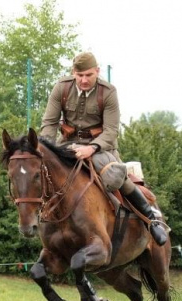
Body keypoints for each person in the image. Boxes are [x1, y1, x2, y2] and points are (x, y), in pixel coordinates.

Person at [40, 51, 168, 246]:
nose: (83, 80)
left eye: (88, 75)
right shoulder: (61, 87)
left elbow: (111, 131)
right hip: (66, 144)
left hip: (101, 149)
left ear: (97, 71)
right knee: (42, 173)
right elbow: (49, 123)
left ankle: (152, 220)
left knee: (113, 176)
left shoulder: (108, 92)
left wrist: (91, 148)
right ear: (73, 72)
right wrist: (45, 150)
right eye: (80, 75)